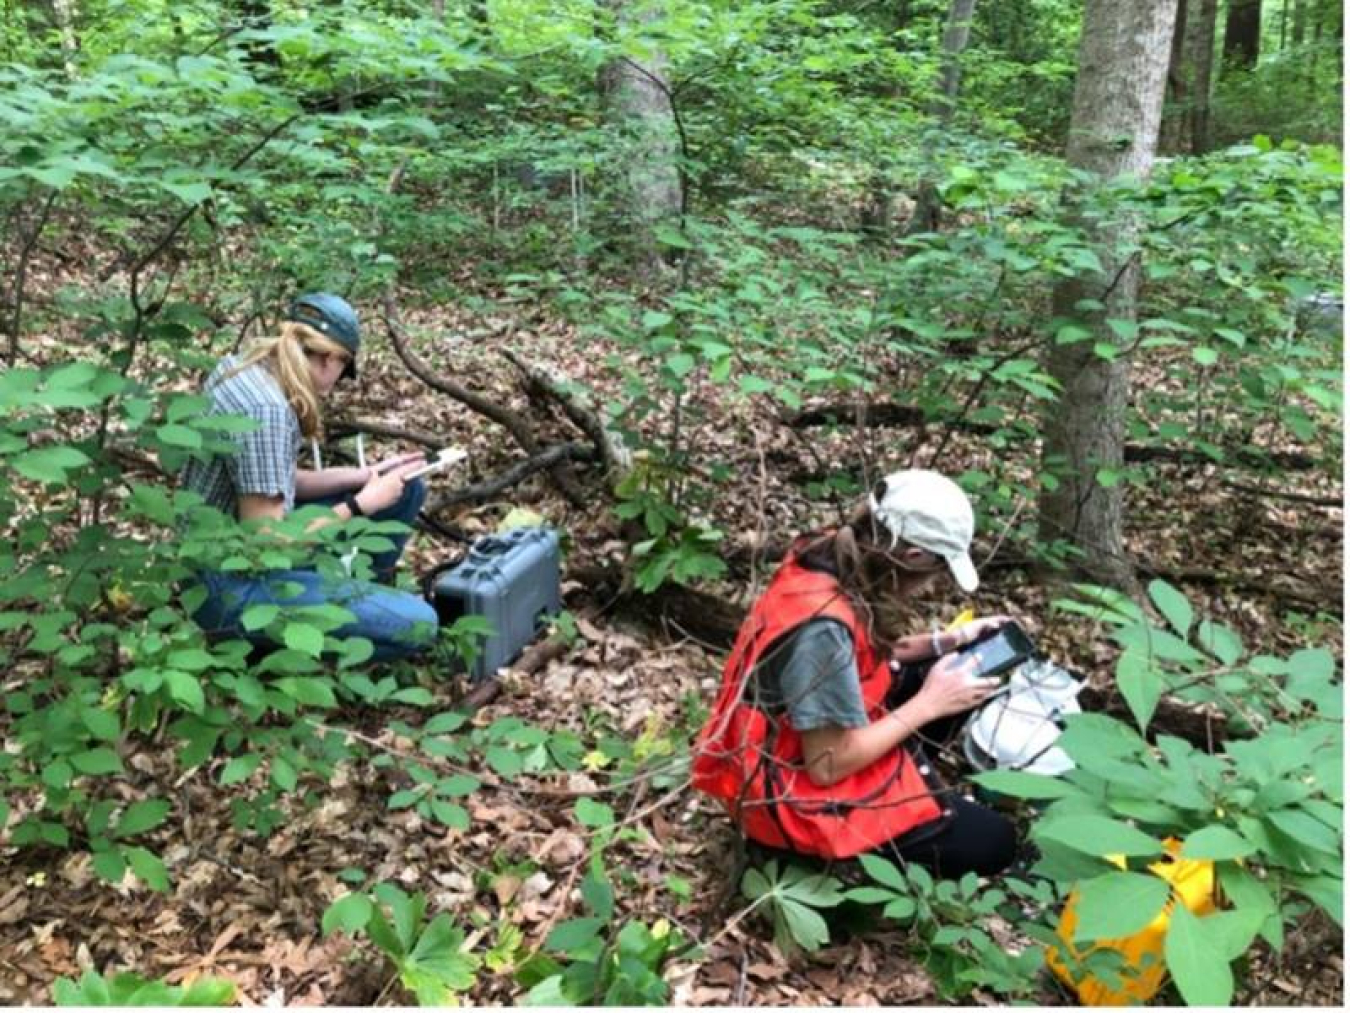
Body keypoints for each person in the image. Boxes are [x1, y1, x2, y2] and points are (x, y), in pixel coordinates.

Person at [692, 469, 1017, 878]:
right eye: (938, 570)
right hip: (787, 792)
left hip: (792, 746)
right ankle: (810, 855)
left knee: (951, 672)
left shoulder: (829, 552)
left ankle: (906, 787)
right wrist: (928, 704)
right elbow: (826, 765)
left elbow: (860, 648)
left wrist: (945, 642)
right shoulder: (821, 630)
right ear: (913, 558)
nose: (933, 585)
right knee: (996, 842)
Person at [181, 292, 439, 661]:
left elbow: (277, 481)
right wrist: (359, 504)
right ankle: (293, 644)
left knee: (406, 488)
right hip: (229, 585)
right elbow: (266, 545)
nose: (339, 380)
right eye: (344, 368)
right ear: (330, 356)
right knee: (421, 625)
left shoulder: (242, 370)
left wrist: (364, 476)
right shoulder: (267, 411)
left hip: (225, 550)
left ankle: (353, 600)